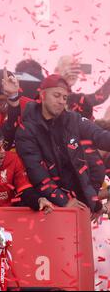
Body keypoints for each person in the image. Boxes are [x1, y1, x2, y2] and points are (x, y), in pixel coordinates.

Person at [15, 74, 110, 220]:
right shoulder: (27, 129)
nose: (61, 101)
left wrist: (90, 201)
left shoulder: (73, 119)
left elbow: (99, 136)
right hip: (45, 206)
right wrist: (64, 201)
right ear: (43, 94)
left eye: (64, 98)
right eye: (57, 95)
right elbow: (37, 174)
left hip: (78, 202)